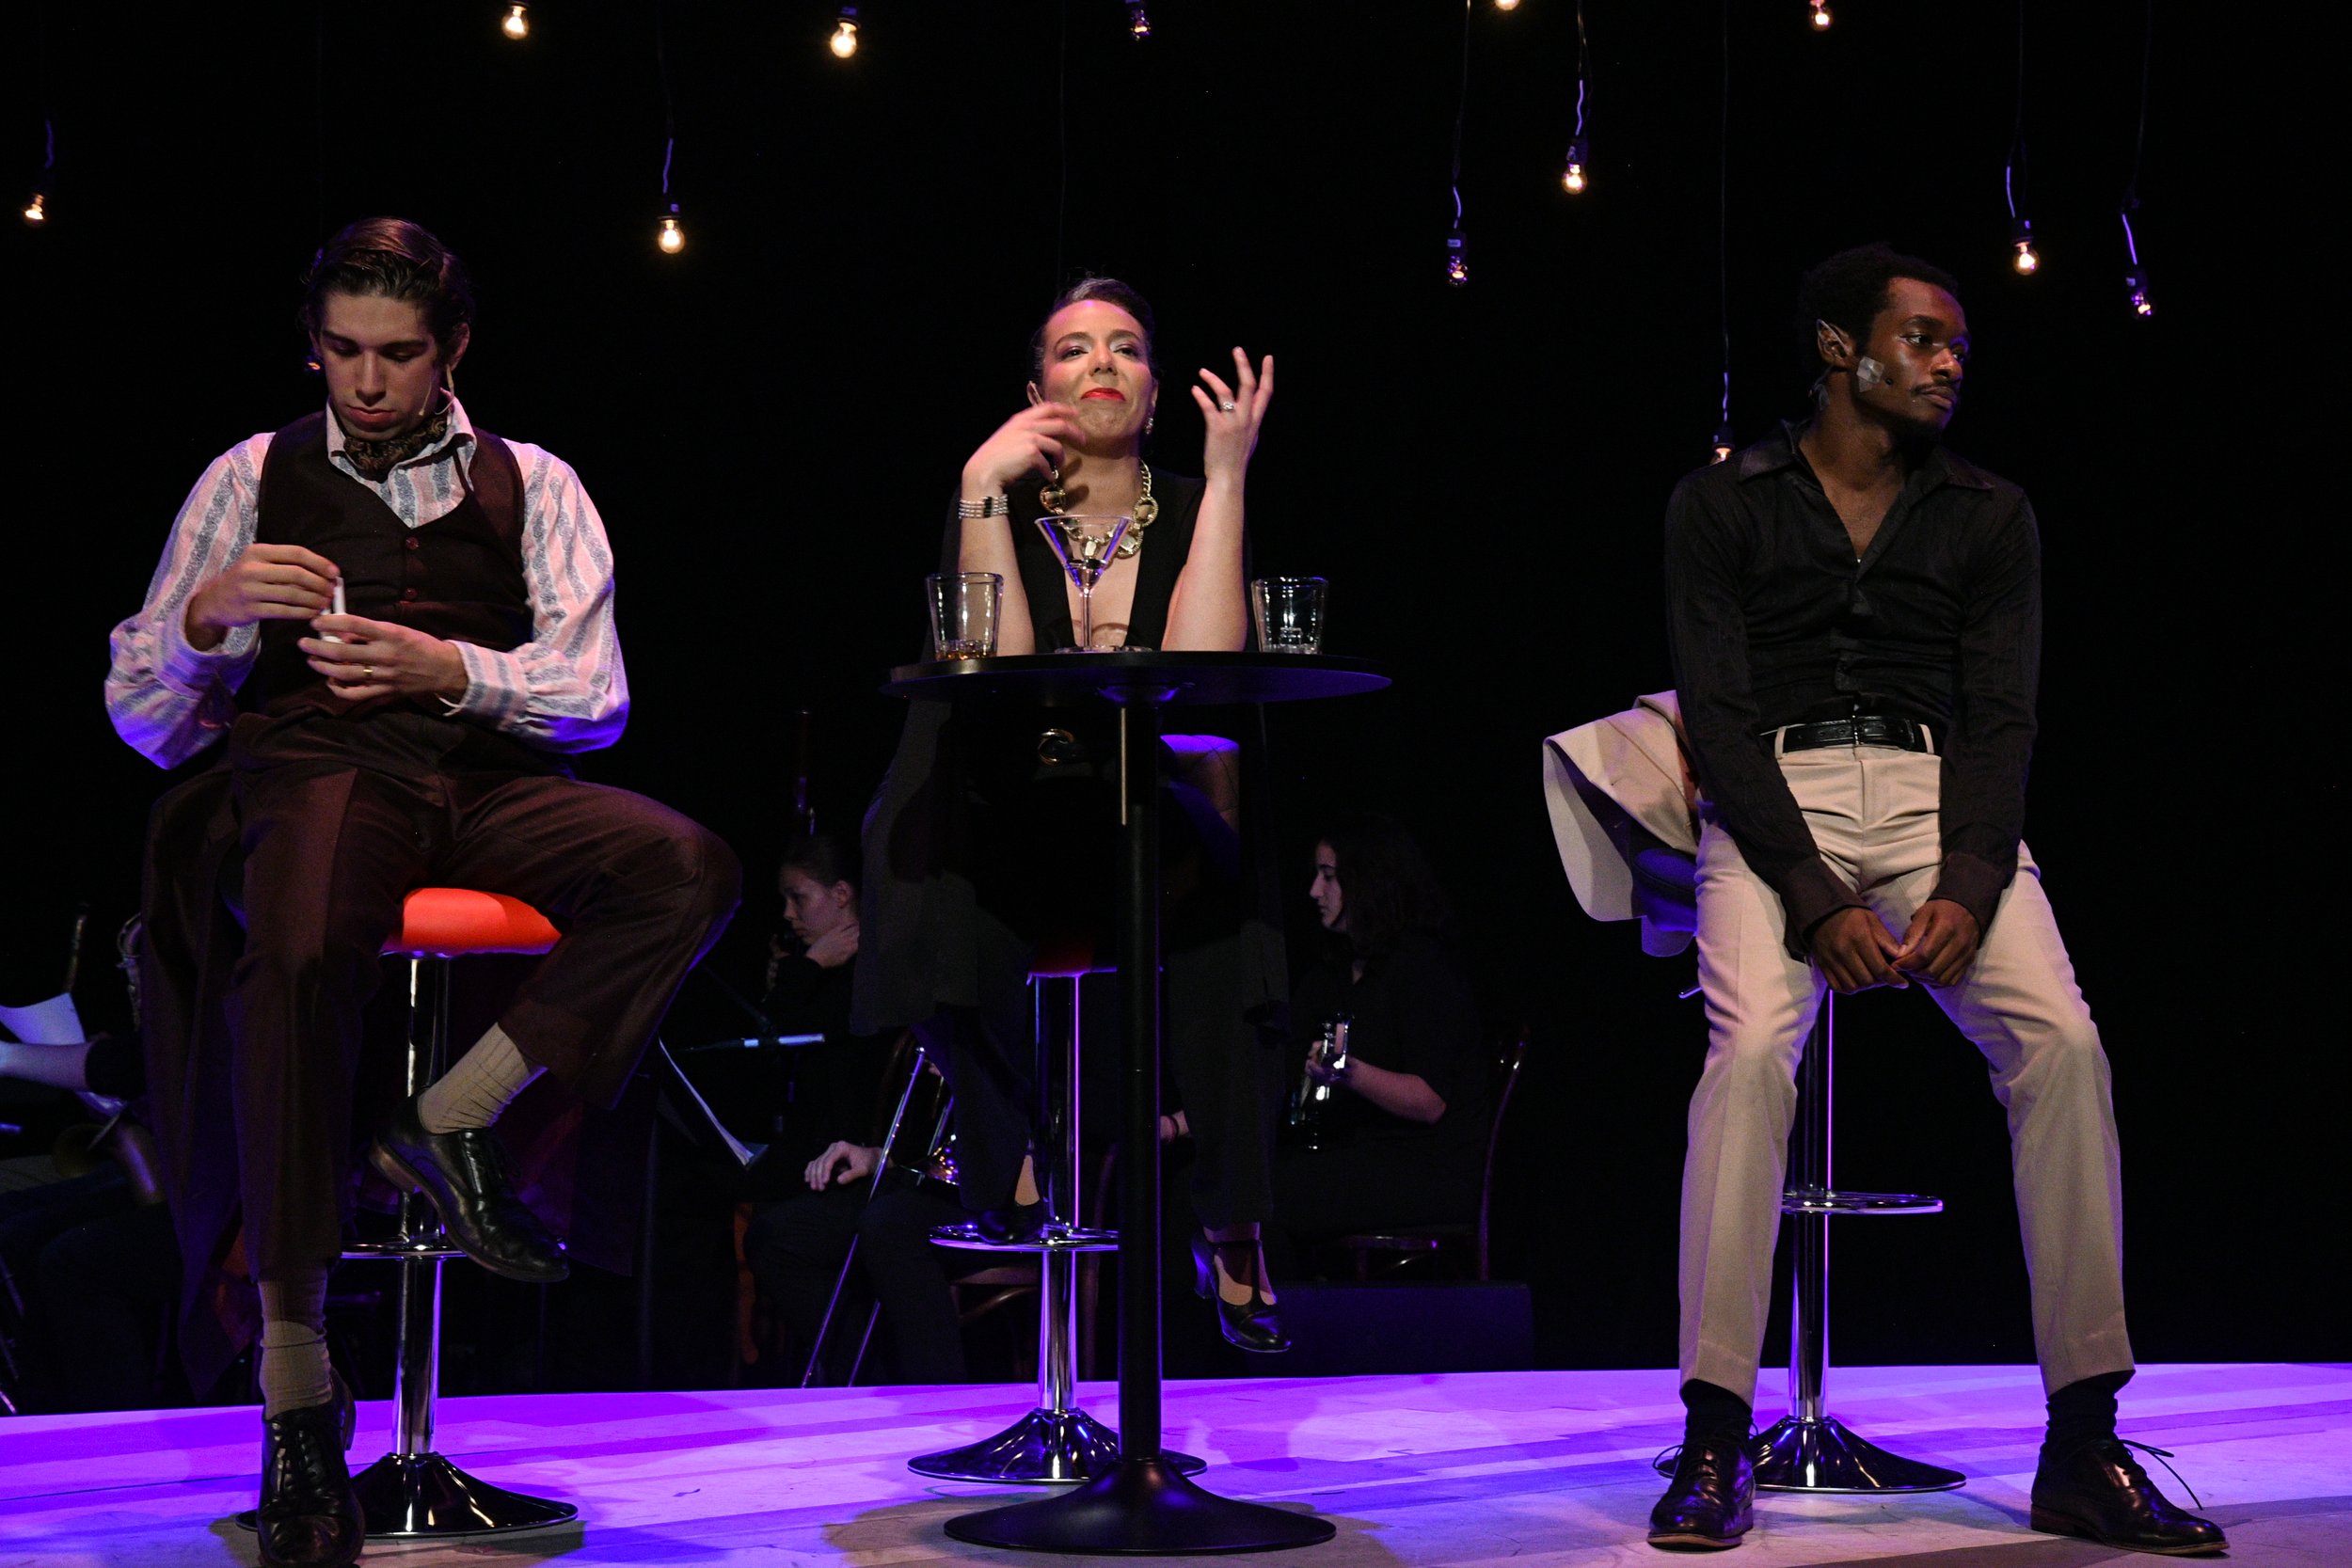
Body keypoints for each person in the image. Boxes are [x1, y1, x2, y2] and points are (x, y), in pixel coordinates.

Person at [105, 218, 739, 1568]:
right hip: (320, 766)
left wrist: (447, 668)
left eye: (396, 354)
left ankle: (450, 1115)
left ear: (452, 349)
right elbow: (146, 722)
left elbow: (597, 696)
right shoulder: (249, 475)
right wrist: (207, 619)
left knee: (684, 866)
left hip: (480, 773)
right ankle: (295, 1387)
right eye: (342, 350)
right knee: (299, 943)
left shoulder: (535, 481)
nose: (367, 380)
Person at [1646, 243, 2222, 1554]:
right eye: (1923, 338)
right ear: (1839, 348)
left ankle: (2083, 1436)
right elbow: (1716, 716)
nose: (1950, 362)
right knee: (1750, 1054)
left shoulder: (1988, 511)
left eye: (1958, 343)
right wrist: (1812, 893)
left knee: (2062, 1043)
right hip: (1772, 796)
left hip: (1935, 793)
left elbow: (2005, 714)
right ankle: (1714, 1433)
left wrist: (1968, 879)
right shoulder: (1723, 501)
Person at [854, 277, 1296, 1353]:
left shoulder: (1193, 504)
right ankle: (1015, 1148)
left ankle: (1232, 1218)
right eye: (1073, 349)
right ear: (1034, 393)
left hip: (1143, 815)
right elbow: (991, 670)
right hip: (1012, 819)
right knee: (918, 877)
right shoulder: (998, 504)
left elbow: (1202, 670)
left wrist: (1229, 474)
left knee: (1230, 900)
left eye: (1126, 347)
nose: (1101, 362)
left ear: (1153, 391)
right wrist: (977, 485)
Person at [738, 833, 975, 1384]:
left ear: (842, 894)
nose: (788, 914)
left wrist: (805, 970)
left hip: (884, 1167)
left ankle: (866, 1375)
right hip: (843, 1160)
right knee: (750, 1203)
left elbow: (782, 1043)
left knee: (778, 1232)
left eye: (799, 897)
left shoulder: (872, 979)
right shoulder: (824, 973)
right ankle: (845, 1373)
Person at [1261, 816, 1487, 1280]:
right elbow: (1279, 1068)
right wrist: (1184, 1122)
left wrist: (1347, 1072)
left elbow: (1430, 1101)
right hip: (1360, 1155)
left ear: (1368, 882)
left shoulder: (1421, 967)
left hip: (1426, 1168)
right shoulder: (1334, 972)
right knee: (1230, 1187)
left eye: (1328, 876)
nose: (1314, 891)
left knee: (1262, 1199)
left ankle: (1283, 1317)